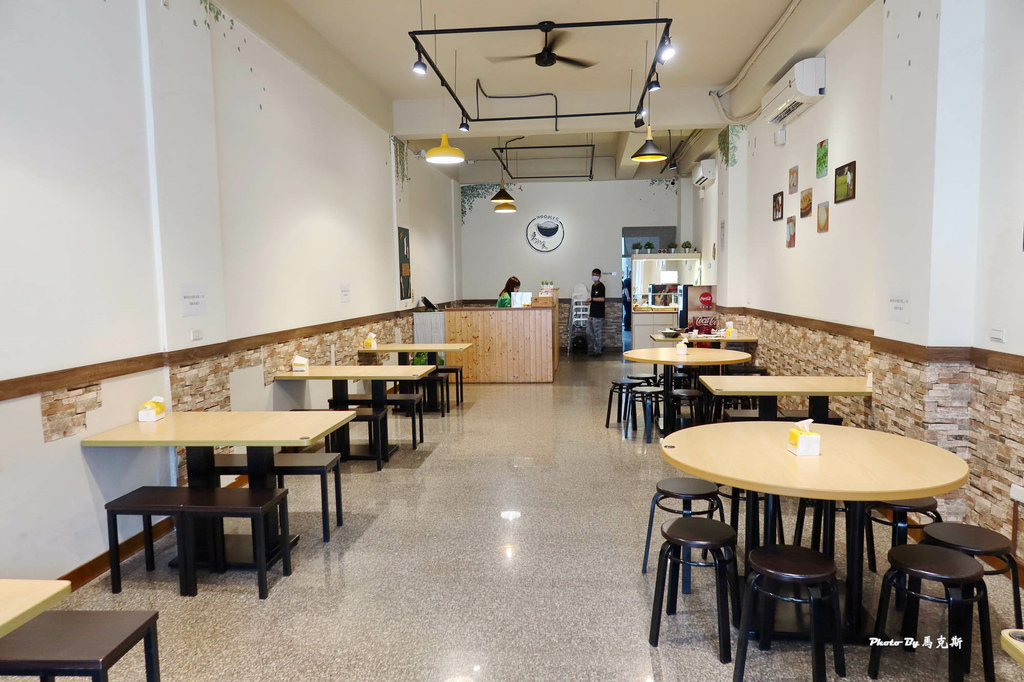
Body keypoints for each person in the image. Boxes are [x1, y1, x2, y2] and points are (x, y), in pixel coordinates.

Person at [585, 268, 605, 356]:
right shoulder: (593, 286)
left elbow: (602, 299)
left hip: (599, 314)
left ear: (600, 276)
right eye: (593, 275)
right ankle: (596, 347)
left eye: (596, 275)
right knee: (589, 332)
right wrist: (589, 301)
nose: (594, 277)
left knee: (598, 333)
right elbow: (594, 299)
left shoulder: (601, 286)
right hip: (592, 313)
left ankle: (598, 350)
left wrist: (592, 299)